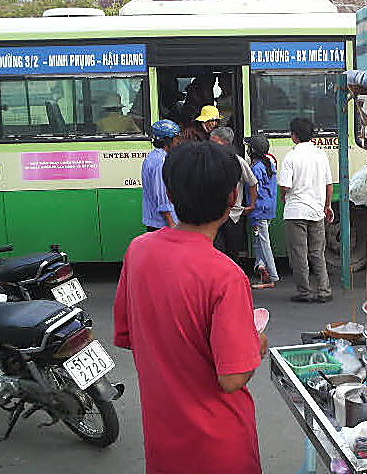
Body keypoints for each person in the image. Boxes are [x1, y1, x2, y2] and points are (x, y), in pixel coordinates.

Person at [114, 141, 267, 474]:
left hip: (164, 443)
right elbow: (233, 377)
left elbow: (130, 335)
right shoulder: (225, 275)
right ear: (232, 198)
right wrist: (257, 342)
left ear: (169, 191)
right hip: (220, 448)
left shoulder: (138, 251)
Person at [279, 117, 333, 303]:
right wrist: (327, 206)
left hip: (295, 212)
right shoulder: (321, 155)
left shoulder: (291, 157)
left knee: (299, 254)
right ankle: (324, 291)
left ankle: (305, 292)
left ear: (294, 136)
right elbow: (329, 184)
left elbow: (285, 187)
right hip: (316, 211)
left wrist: (283, 198)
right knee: (317, 252)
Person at [211, 126, 258, 265]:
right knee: (216, 250)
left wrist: (252, 204)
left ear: (225, 143)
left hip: (234, 215)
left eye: (214, 141)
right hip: (214, 214)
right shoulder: (208, 160)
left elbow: (253, 182)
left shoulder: (238, 161)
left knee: (232, 252)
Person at [246, 135, 279, 289]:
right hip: (268, 209)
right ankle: (261, 266)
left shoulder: (256, 168)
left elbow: (255, 189)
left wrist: (251, 206)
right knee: (258, 241)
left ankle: (272, 277)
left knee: (264, 243)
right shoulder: (269, 165)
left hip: (259, 210)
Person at [142, 120, 181, 232]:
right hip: (163, 224)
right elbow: (162, 194)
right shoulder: (161, 161)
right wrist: (171, 223)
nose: (178, 141)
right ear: (167, 140)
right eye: (176, 138)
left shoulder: (152, 157)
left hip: (157, 222)